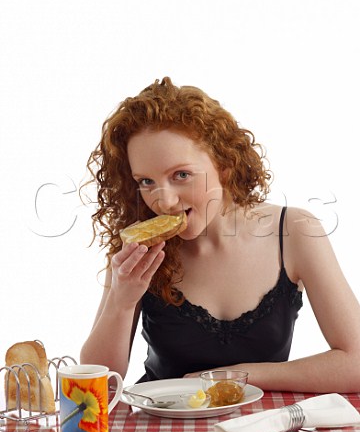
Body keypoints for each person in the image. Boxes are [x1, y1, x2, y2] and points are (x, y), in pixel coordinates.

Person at [80, 76, 360, 393]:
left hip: (262, 430)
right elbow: (95, 387)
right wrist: (121, 301)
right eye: (146, 181)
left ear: (224, 166)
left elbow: (356, 362)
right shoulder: (136, 249)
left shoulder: (294, 232)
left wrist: (236, 376)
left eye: (181, 175)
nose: (164, 201)